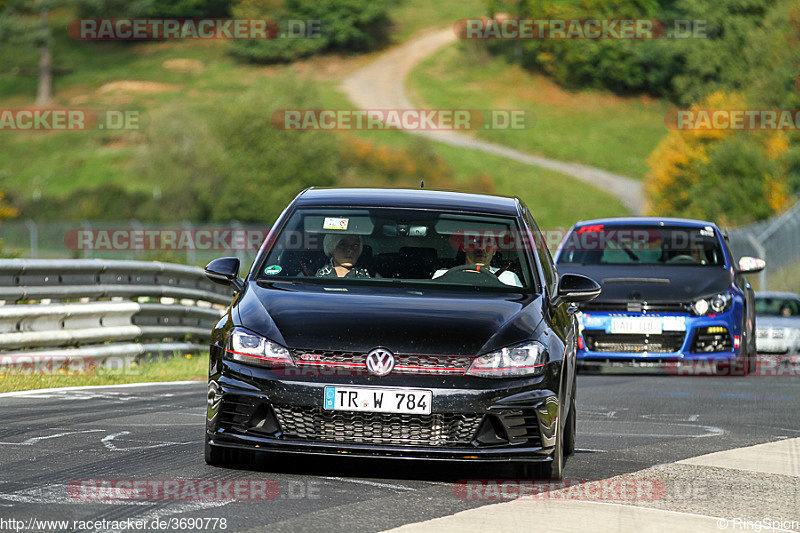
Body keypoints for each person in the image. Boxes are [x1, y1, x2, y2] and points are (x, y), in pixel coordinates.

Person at [432, 243, 522, 287]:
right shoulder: (442, 275)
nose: (481, 248)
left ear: (494, 250)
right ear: (464, 247)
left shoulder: (509, 277)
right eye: (474, 243)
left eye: (488, 244)